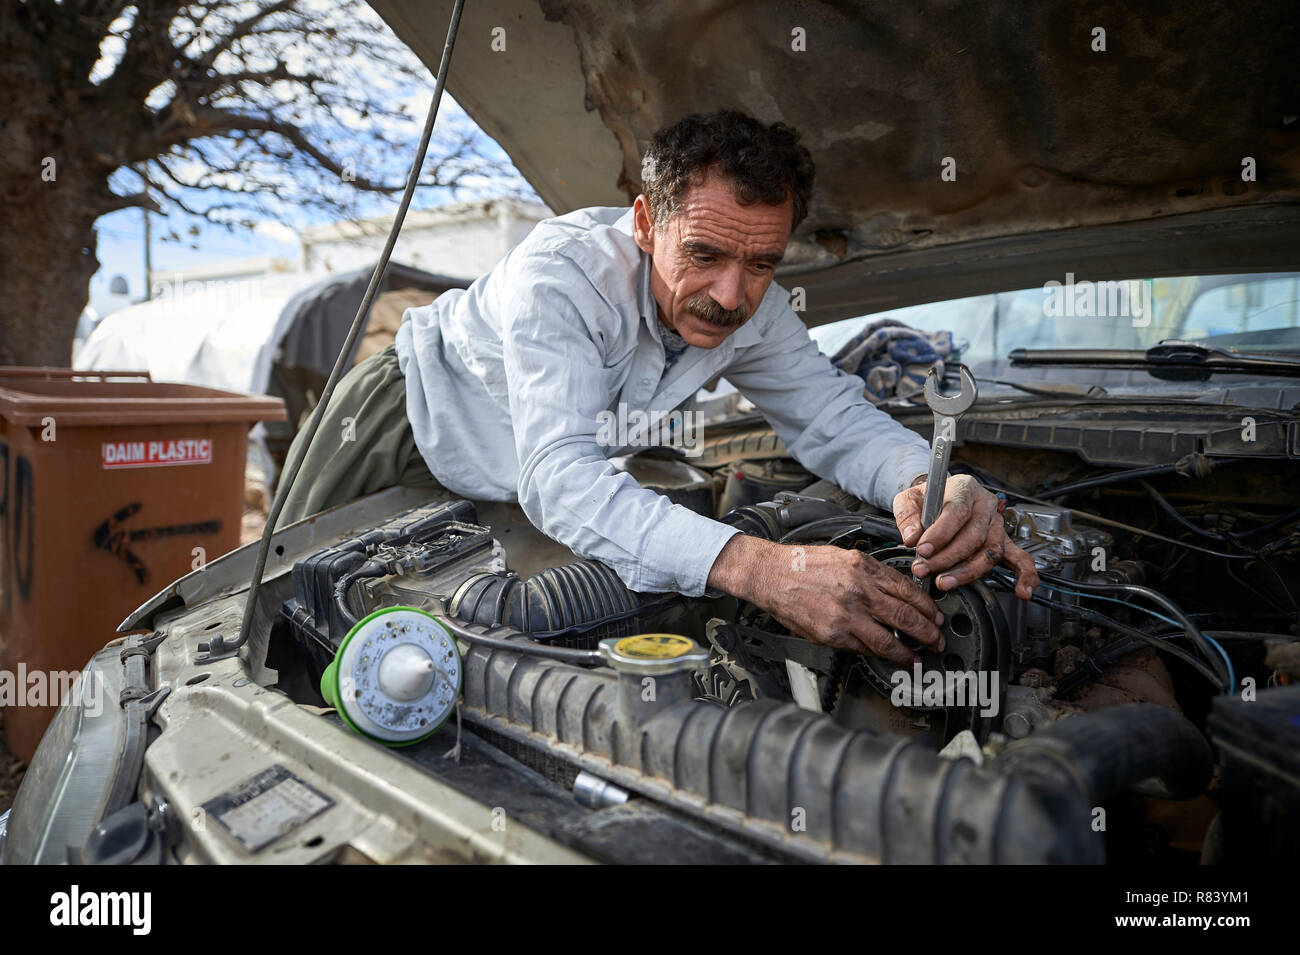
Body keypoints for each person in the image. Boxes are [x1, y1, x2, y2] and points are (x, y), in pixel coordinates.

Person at [278, 110, 1038, 663]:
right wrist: (760, 566)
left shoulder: (757, 308)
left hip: (514, 481)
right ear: (645, 222)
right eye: (703, 253)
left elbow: (833, 419)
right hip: (399, 425)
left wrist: (925, 478)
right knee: (290, 625)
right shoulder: (564, 276)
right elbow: (563, 475)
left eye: (763, 263)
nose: (732, 296)